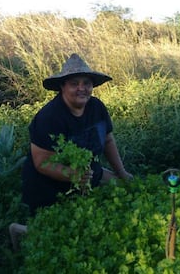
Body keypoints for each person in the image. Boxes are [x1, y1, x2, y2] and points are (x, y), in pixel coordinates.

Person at [21, 53, 133, 216]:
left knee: (128, 190)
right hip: (49, 187)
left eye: (86, 83)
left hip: (87, 175)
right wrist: (74, 176)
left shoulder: (96, 107)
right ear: (63, 86)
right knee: (59, 232)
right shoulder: (49, 117)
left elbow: (108, 140)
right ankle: (18, 230)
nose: (82, 88)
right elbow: (42, 162)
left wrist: (122, 173)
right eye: (74, 84)